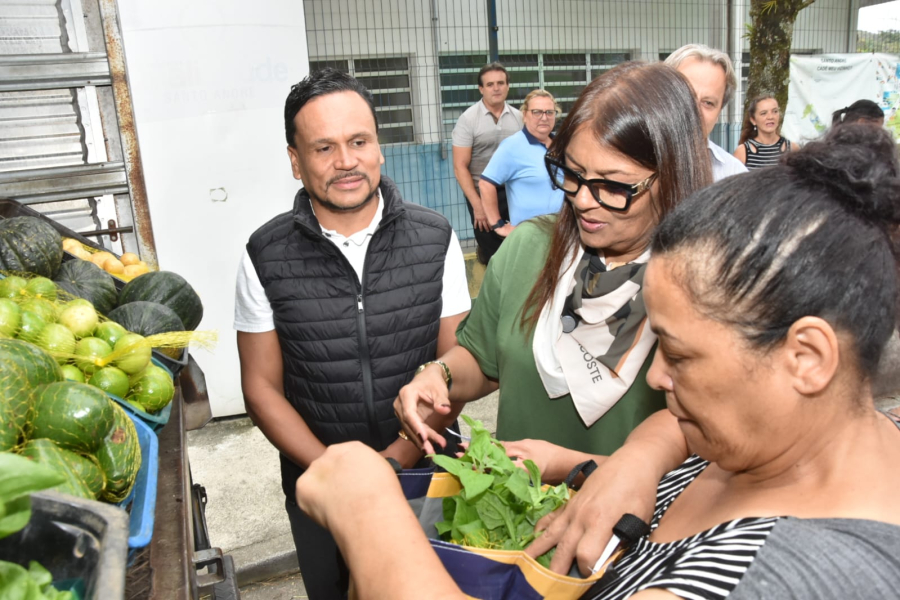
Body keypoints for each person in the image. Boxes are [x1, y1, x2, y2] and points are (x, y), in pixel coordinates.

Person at [296, 123, 900, 600]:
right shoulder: (777, 446)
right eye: (572, 175)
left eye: (681, 356)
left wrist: (366, 508)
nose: (660, 377)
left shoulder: (789, 577)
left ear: (808, 357)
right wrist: (604, 463)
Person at [395, 61, 711, 477]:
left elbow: (707, 462)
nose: (581, 200)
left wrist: (571, 467)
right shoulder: (530, 247)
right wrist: (438, 374)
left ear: (672, 177)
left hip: (637, 533)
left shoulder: (709, 287)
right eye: (572, 174)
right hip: (513, 522)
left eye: (613, 185)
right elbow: (483, 356)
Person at [233, 68, 471, 599]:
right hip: (314, 479)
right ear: (296, 161)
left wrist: (395, 460)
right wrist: (333, 475)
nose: (346, 161)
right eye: (324, 147)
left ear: (378, 148)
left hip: (427, 466)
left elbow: (457, 362)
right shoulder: (264, 254)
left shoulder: (434, 238)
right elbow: (261, 388)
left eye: (359, 141)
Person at [452, 62, 524, 264]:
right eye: (490, 84)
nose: (496, 88)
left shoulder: (519, 118)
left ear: (508, 86)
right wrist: (477, 205)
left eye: (501, 83)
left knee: (517, 244)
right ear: (481, 89)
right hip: (481, 193)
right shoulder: (468, 119)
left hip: (512, 192)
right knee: (491, 250)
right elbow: (460, 166)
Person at [479, 89, 565, 238]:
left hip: (563, 234)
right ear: (525, 115)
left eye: (549, 112)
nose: (544, 118)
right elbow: (486, 184)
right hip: (531, 237)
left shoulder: (562, 144)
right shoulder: (512, 146)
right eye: (537, 112)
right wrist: (498, 225)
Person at [664, 44, 748, 181]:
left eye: (708, 103)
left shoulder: (734, 177)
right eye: (685, 94)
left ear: (719, 113)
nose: (694, 110)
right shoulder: (627, 163)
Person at [733, 94, 795, 169]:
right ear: (753, 120)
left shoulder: (793, 149)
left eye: (775, 111)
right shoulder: (742, 152)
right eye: (763, 113)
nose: (770, 117)